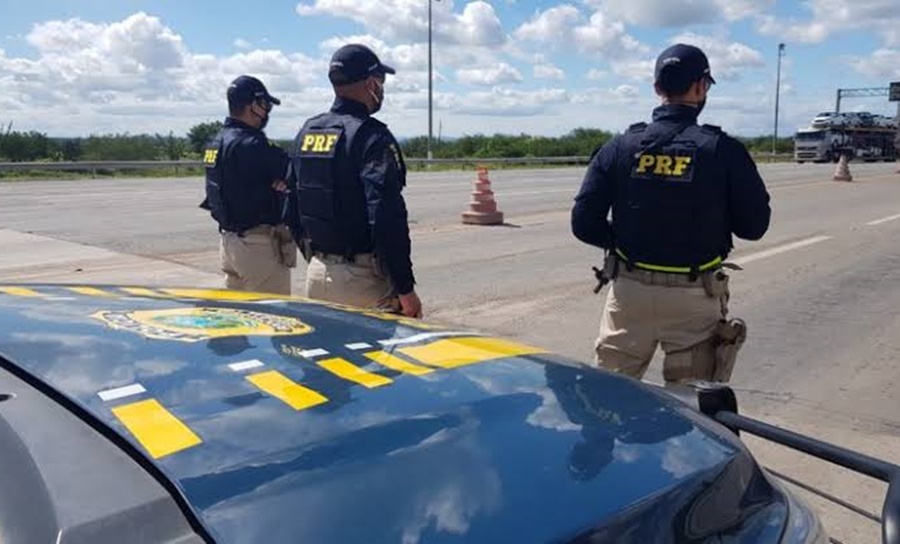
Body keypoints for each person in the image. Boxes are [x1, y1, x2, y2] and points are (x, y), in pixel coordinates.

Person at [571, 43, 771, 384]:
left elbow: (583, 223)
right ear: (700, 86)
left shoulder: (620, 146)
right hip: (694, 300)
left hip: (629, 294)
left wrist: (626, 239)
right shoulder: (723, 150)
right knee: (691, 411)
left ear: (656, 88)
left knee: (607, 401)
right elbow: (754, 227)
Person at [288, 43, 422, 318]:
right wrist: (405, 288)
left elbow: (290, 205)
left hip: (317, 275)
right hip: (362, 282)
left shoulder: (308, 130)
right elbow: (386, 217)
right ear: (371, 82)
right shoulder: (370, 136)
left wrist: (318, 258)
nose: (382, 88)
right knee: (378, 360)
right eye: (381, 81)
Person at [200, 75, 297, 295]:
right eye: (265, 105)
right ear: (253, 105)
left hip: (229, 243)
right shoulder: (251, 143)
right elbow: (291, 171)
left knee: (238, 318)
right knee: (278, 318)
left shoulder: (215, 142)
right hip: (258, 247)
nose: (267, 112)